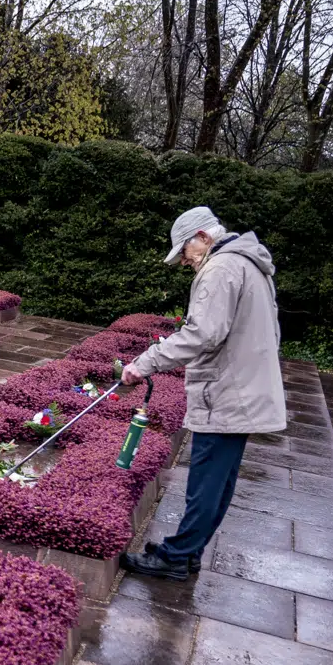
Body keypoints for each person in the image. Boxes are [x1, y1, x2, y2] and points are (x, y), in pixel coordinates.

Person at [119, 206, 287, 581]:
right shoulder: (248, 263)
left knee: (206, 480)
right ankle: (189, 550)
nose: (183, 261)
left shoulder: (221, 268)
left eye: (185, 252)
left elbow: (201, 335)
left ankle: (177, 557)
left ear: (204, 238)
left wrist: (143, 364)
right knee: (219, 478)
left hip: (227, 390)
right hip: (244, 385)